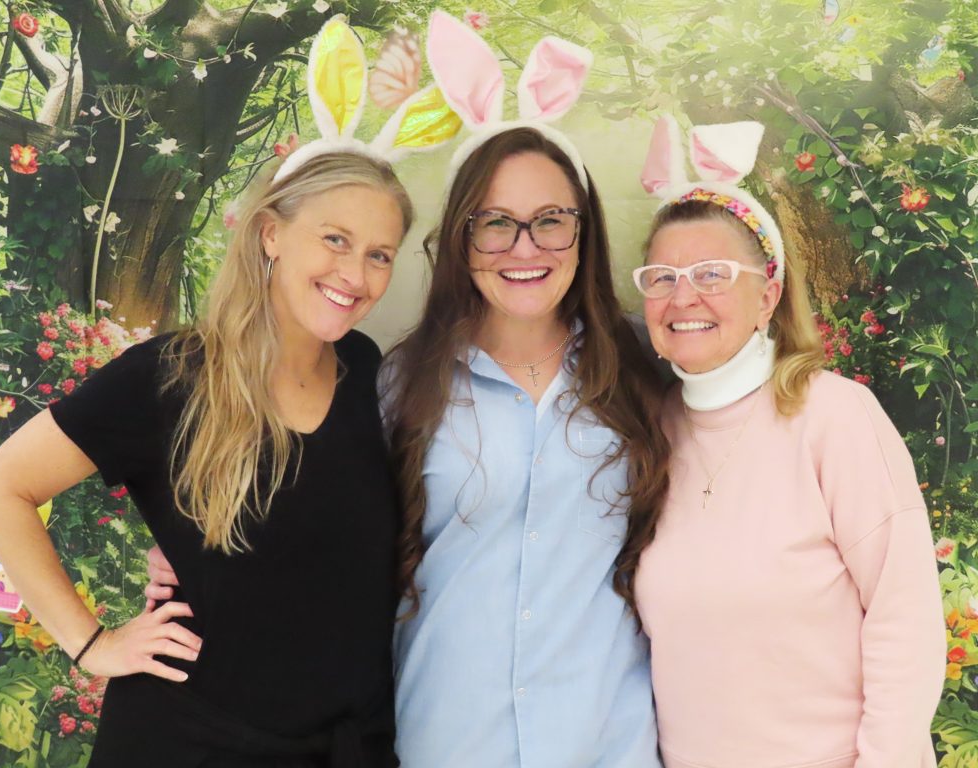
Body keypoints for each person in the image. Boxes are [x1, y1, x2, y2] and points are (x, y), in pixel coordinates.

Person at [0, 17, 459, 768]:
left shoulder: (368, 372)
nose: (355, 277)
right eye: (334, 239)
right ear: (270, 234)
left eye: (378, 255)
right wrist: (92, 643)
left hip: (347, 746)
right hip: (186, 745)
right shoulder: (170, 377)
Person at [381, 12, 671, 767]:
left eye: (550, 221)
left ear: (585, 230)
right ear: (458, 237)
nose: (524, 249)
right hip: (446, 740)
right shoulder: (400, 384)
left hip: (609, 743)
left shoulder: (647, 371)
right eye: (495, 224)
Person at [631, 114, 946, 768]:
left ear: (768, 293)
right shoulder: (652, 431)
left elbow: (905, 624)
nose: (682, 296)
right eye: (660, 277)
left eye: (713, 273)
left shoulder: (835, 417)